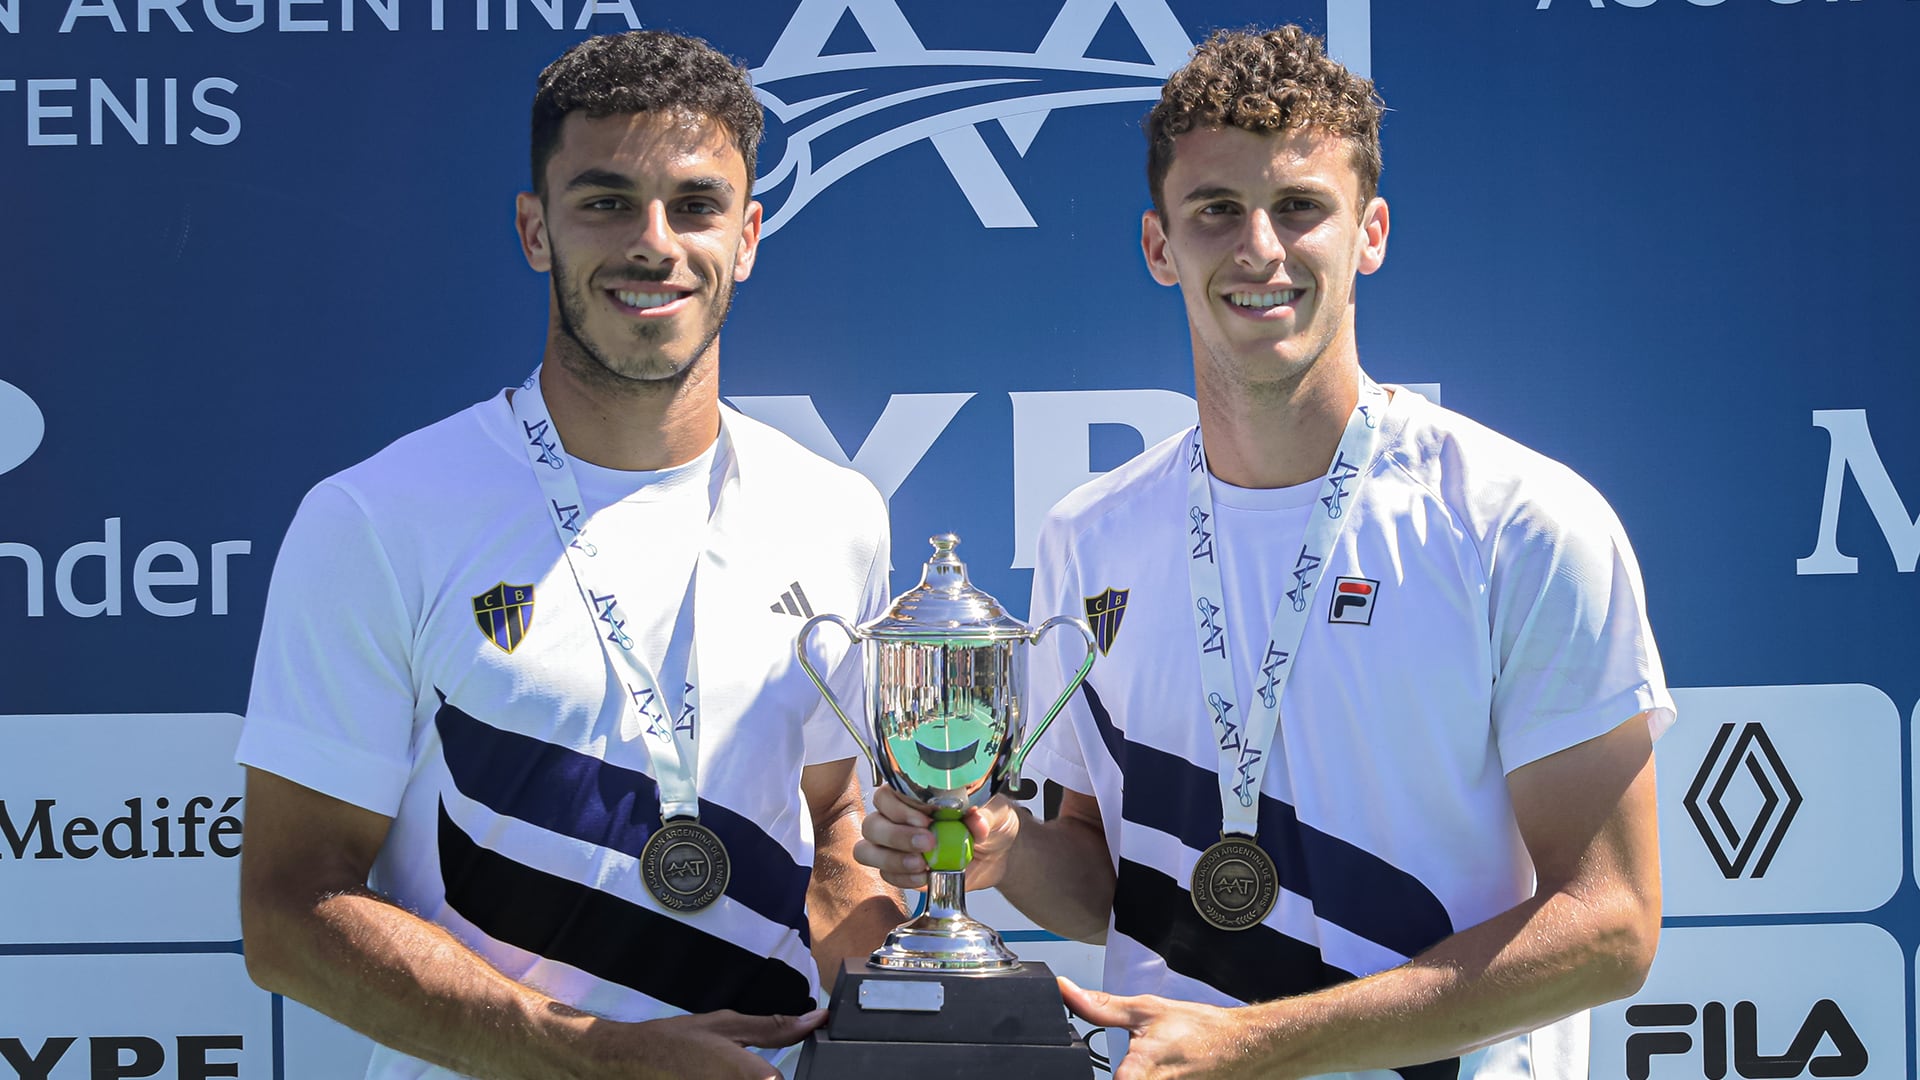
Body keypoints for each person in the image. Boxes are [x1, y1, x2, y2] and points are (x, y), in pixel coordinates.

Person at [856, 24, 1672, 1080]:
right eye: (1216, 212)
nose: (1260, 249)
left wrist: (1257, 1044)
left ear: (1369, 232)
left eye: (1300, 209)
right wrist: (1004, 850)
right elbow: (1110, 882)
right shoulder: (1090, 536)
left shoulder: (1518, 522)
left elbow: (1611, 925)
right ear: (1160, 246)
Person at [237, 30, 904, 1080]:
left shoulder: (838, 514)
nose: (654, 243)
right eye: (605, 202)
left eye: (695, 206)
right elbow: (287, 912)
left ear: (750, 234)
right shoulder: (378, 517)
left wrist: (908, 995)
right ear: (534, 230)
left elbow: (832, 824)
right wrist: (592, 1058)